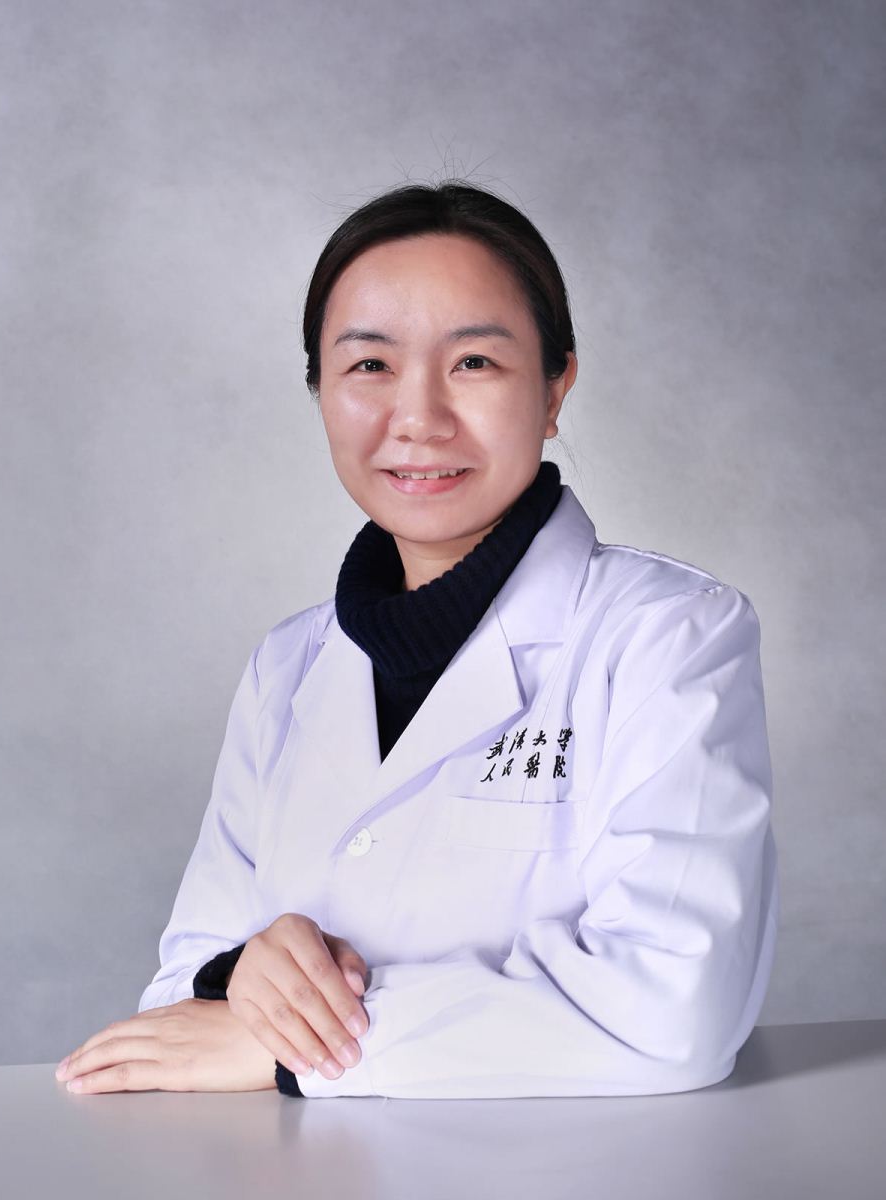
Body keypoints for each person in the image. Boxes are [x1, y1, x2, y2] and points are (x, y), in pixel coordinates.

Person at [55, 180, 778, 1099]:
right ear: (320, 390)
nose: (420, 418)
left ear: (555, 387)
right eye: (369, 365)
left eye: (474, 362)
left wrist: (294, 1047)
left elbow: (674, 1007)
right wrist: (243, 972)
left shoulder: (669, 636)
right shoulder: (287, 667)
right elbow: (181, 1002)